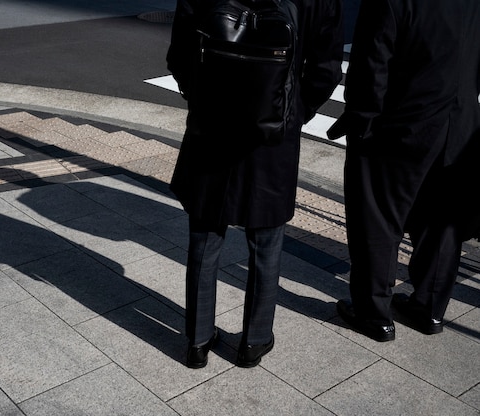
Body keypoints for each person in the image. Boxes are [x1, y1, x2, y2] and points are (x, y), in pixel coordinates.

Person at [167, 0, 344, 368]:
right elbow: (325, 69)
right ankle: (254, 341)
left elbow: (181, 52)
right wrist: (290, 114)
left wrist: (201, 100)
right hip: (272, 136)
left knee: (204, 235)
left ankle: (198, 342)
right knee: (266, 242)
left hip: (211, 126)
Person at [328, 0, 480, 342]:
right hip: (459, 122)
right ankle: (429, 309)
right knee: (440, 220)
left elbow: (372, 60)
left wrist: (362, 118)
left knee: (378, 217)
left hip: (399, 123)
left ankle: (374, 313)